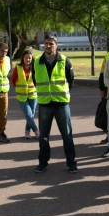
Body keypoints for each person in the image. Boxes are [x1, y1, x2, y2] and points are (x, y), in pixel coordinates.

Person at [32, 33, 78, 173]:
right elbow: (35, 81)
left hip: (61, 104)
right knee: (43, 137)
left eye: (51, 43)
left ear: (56, 45)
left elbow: (70, 81)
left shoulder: (64, 61)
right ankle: (43, 162)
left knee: (67, 136)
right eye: (46, 43)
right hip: (45, 104)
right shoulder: (37, 62)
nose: (48, 46)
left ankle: (71, 163)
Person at [11, 47, 39, 139]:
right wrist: (19, 89)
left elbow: (37, 80)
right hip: (22, 96)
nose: (28, 59)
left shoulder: (35, 67)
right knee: (28, 114)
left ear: (32, 58)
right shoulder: (18, 68)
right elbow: (13, 80)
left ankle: (27, 131)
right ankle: (36, 131)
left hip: (33, 94)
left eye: (29, 58)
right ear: (23, 58)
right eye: (26, 57)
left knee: (31, 113)